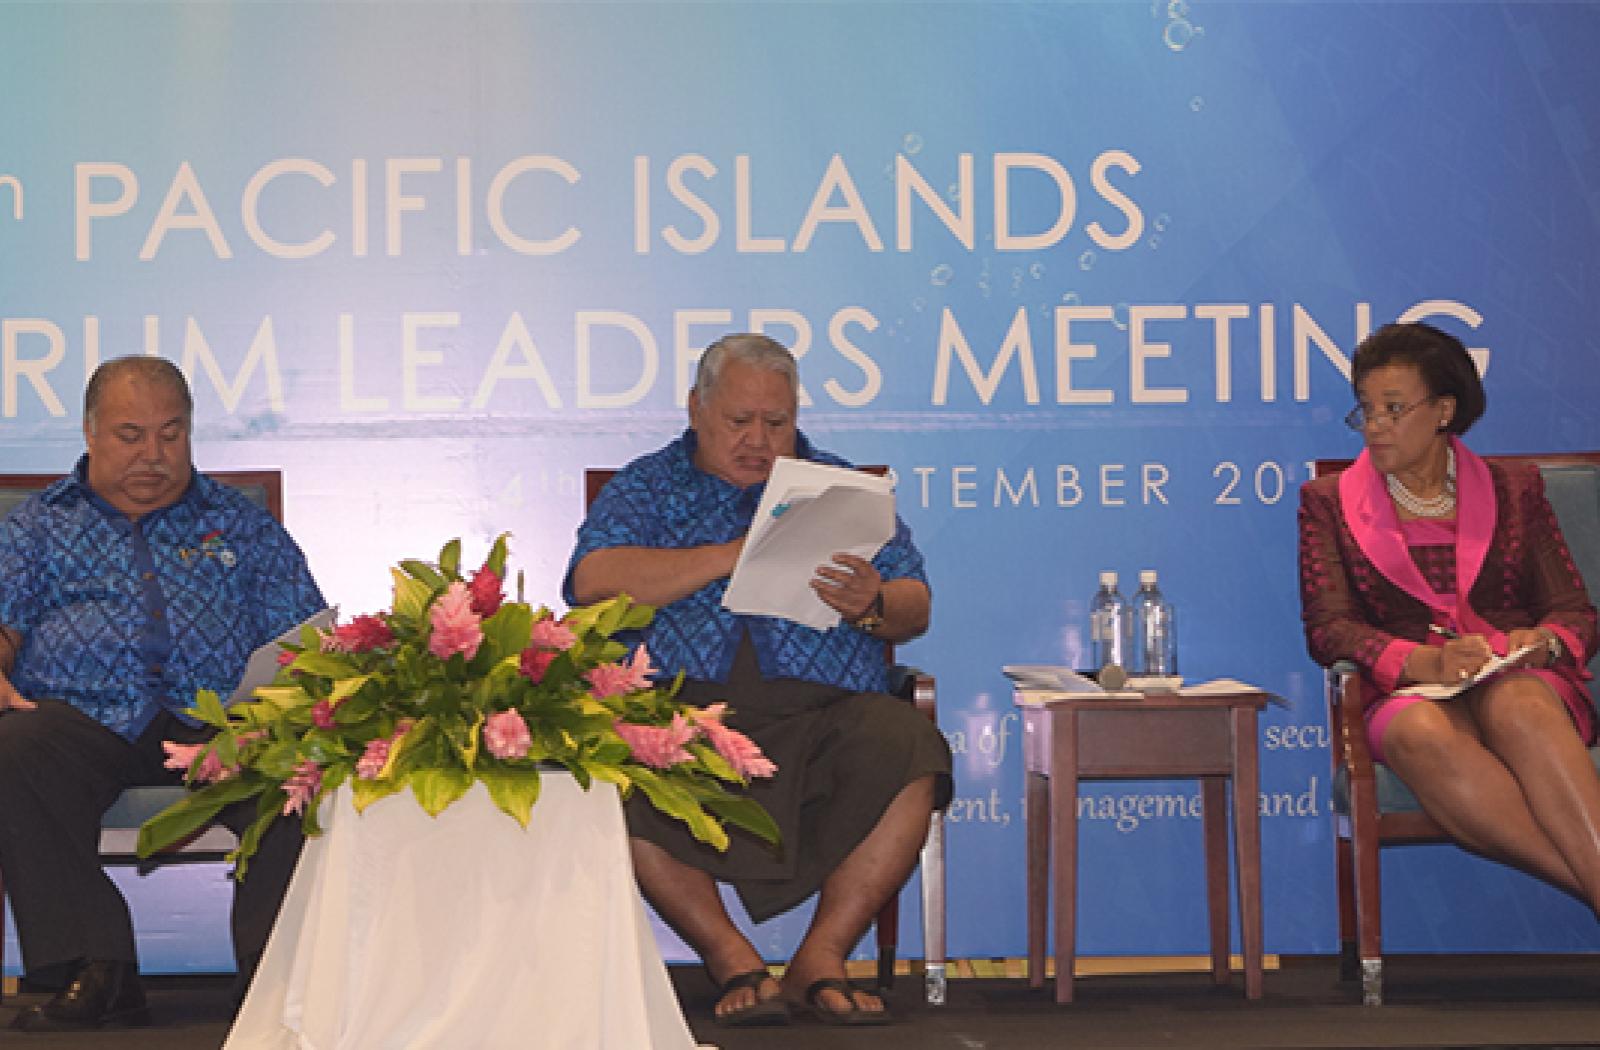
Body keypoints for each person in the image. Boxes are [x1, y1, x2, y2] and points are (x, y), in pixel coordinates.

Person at [565, 333, 951, 1027]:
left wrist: (872, 602)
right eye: (738, 421)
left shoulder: (839, 490)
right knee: (616, 756)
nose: (759, 440)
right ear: (696, 408)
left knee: (910, 744)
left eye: (777, 422)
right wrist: (730, 556)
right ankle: (732, 958)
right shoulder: (648, 487)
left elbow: (915, 604)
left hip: (824, 711)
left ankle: (820, 959)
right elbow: (593, 579)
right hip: (680, 711)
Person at [0, 356, 326, 1032]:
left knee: (294, 765)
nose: (153, 453)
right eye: (131, 435)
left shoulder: (240, 525)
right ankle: (98, 969)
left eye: (170, 434)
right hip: (80, 720)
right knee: (14, 746)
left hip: (221, 722)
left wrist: (281, 704)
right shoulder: (36, 527)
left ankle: (271, 978)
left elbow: (303, 637)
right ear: (91, 432)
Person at [1298, 321, 1600, 913]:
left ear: (1443, 410)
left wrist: (1542, 641)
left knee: (1519, 705)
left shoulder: (1516, 489)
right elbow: (1329, 628)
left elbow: (1574, 611)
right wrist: (1423, 661)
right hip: (1409, 691)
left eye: (1393, 409)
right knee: (1418, 732)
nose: (1376, 426)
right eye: (1366, 410)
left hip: (1517, 679)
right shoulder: (1328, 502)